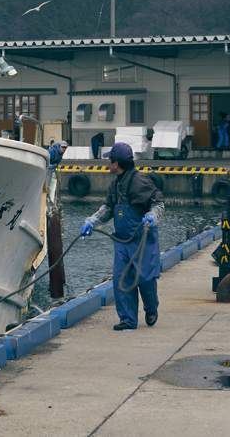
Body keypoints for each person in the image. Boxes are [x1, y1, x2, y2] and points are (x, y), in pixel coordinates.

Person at [80, 142, 165, 331]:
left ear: (115, 163)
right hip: (121, 240)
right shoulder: (114, 185)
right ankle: (128, 319)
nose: (107, 163)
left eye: (109, 160)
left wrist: (151, 217)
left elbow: (158, 204)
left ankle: (151, 307)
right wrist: (92, 222)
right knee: (122, 280)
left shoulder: (141, 181)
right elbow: (108, 208)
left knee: (144, 278)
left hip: (142, 238)